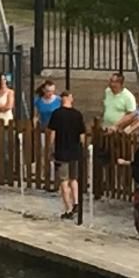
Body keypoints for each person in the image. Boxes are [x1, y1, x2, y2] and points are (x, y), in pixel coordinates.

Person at [48, 91, 85, 219]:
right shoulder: (78, 114)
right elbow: (82, 135)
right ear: (71, 98)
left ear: (61, 99)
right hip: (74, 151)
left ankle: (68, 209)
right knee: (74, 179)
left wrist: (50, 148)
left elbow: (53, 133)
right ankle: (76, 202)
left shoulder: (56, 114)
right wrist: (81, 149)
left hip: (61, 151)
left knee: (64, 180)